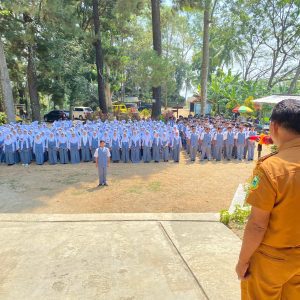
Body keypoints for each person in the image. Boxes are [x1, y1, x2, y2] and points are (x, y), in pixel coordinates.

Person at [236, 99, 300, 299]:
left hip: (271, 259)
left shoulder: (271, 168)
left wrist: (243, 260)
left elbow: (257, 224)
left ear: (274, 126)